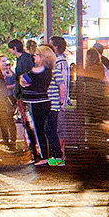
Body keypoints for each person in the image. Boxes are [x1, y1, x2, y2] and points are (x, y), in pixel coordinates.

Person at [21, 45, 60, 166]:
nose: (34, 57)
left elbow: (24, 80)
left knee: (38, 131)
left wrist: (22, 79)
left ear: (42, 57)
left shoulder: (37, 72)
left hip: (35, 102)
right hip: (45, 101)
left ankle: (43, 156)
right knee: (44, 130)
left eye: (37, 55)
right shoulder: (49, 72)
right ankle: (47, 156)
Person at [48, 36, 71, 166]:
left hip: (58, 102)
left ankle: (60, 156)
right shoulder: (62, 62)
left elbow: (62, 85)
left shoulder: (59, 63)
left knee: (58, 129)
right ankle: (59, 156)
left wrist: (62, 101)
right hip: (59, 102)